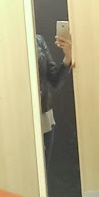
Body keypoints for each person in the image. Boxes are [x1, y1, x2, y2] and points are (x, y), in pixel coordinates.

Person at [36, 30, 72, 167]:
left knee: (43, 170)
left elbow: (55, 81)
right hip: (19, 119)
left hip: (44, 116)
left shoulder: (38, 40)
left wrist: (68, 57)